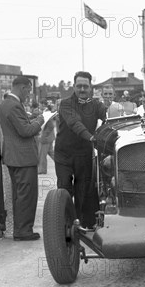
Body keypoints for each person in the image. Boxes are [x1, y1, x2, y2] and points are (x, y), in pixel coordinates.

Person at [55, 71, 107, 229]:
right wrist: (91, 137)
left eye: (85, 86)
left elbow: (107, 120)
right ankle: (64, 226)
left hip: (84, 154)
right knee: (64, 189)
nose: (82, 89)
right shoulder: (65, 103)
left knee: (83, 192)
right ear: (74, 86)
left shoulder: (97, 105)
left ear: (91, 87)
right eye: (79, 86)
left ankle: (81, 226)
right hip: (64, 155)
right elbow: (74, 123)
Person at [0, 76, 45, 241]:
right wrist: (41, 120)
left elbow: (19, 127)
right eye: (29, 90)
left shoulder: (6, 104)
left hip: (14, 157)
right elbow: (25, 131)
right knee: (26, 195)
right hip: (23, 158)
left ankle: (21, 228)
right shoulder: (14, 105)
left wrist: (32, 122)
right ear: (23, 87)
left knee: (20, 195)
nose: (29, 94)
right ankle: (23, 230)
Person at [38, 102, 57, 175]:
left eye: (40, 105)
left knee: (42, 154)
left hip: (46, 138)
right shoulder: (45, 113)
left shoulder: (46, 114)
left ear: (43, 105)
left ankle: (42, 170)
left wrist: (44, 135)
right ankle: (63, 163)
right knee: (51, 153)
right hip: (49, 137)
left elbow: (51, 126)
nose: (39, 106)